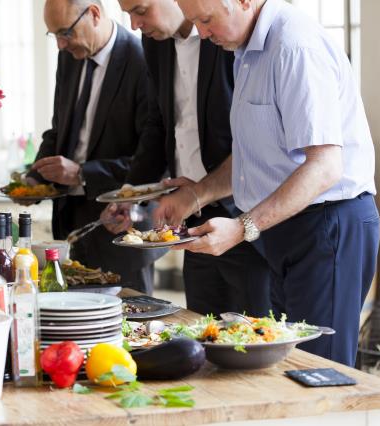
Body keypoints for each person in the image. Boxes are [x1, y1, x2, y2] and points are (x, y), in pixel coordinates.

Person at [156, 0, 379, 366]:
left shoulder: (294, 45)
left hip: (328, 226)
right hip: (285, 230)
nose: (202, 33)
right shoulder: (246, 50)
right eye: (194, 21)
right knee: (285, 366)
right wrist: (197, 194)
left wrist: (242, 228)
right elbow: (253, 159)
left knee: (317, 370)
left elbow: (324, 166)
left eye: (207, 19)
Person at [101, 0, 271, 316]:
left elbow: (255, 137)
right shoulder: (154, 43)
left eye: (140, 10)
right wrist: (131, 194)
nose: (135, 25)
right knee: (202, 332)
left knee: (256, 334)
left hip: (244, 214)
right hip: (191, 221)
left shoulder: (225, 33)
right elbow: (159, 124)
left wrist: (204, 194)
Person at [26, 0, 165, 293]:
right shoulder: (69, 57)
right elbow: (59, 130)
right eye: (54, 36)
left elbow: (153, 154)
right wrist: (33, 180)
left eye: (65, 33)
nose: (61, 45)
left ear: (94, 14)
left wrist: (82, 173)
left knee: (126, 329)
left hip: (121, 223)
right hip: (71, 220)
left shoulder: (142, 58)